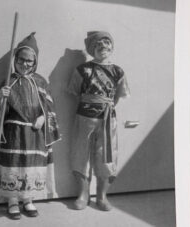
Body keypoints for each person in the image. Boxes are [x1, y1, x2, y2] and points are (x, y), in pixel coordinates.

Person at [0, 32, 61, 220]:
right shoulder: (8, 81)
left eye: (29, 61)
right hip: (14, 132)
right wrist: (0, 97)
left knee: (30, 164)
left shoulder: (41, 81)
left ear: (35, 62)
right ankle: (12, 202)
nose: (25, 64)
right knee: (14, 164)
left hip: (35, 133)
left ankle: (28, 200)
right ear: (16, 59)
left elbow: (49, 105)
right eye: (21, 59)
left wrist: (43, 118)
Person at [67, 31, 130, 211]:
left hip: (107, 119)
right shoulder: (82, 69)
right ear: (91, 48)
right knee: (81, 154)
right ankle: (83, 194)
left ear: (112, 46)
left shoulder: (118, 71)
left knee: (106, 157)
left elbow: (118, 96)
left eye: (106, 43)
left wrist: (106, 106)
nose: (103, 47)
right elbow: (74, 93)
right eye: (98, 45)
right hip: (84, 117)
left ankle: (102, 196)